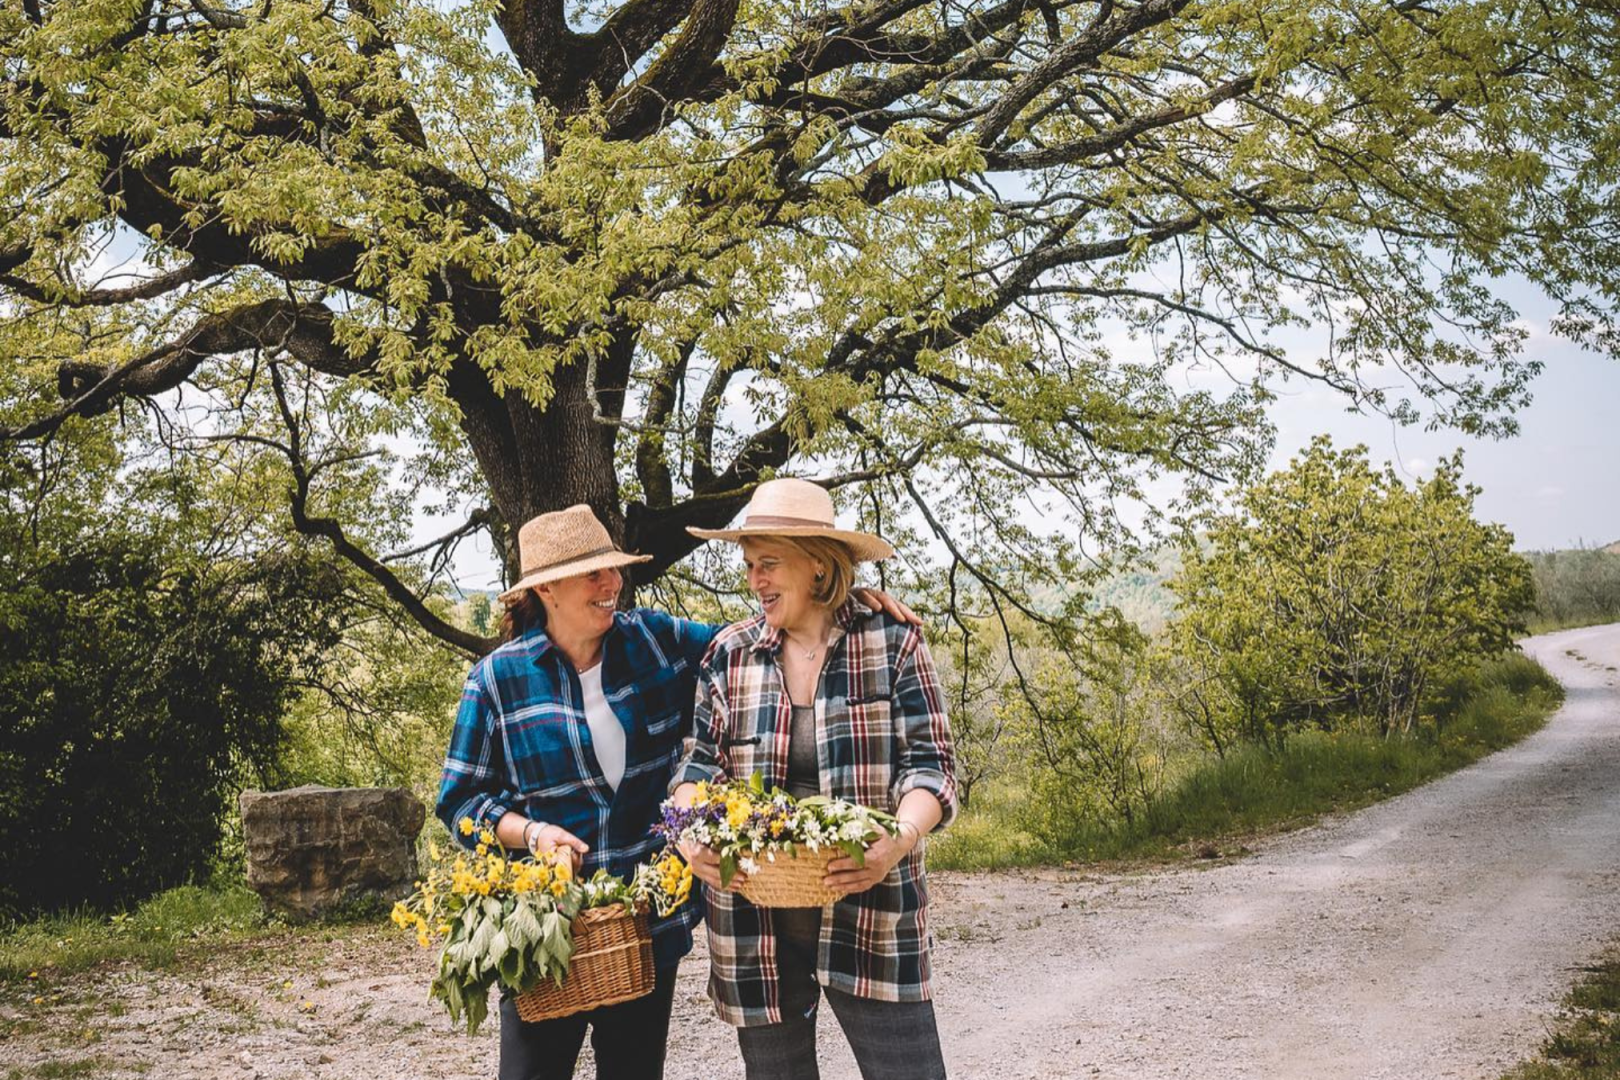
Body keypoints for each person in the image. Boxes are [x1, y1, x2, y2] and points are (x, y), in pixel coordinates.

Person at [435, 502, 916, 1080]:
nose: (612, 582)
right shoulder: (497, 681)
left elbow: (764, 641)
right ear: (548, 589)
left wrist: (848, 601)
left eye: (612, 568)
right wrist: (532, 833)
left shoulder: (656, 642)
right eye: (594, 573)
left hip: (643, 929)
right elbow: (460, 801)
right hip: (543, 927)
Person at [670, 478, 957, 1080]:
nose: (755, 580)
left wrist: (898, 840)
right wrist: (691, 826)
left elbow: (932, 766)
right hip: (753, 919)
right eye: (749, 565)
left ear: (819, 566)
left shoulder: (893, 642)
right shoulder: (729, 655)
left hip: (873, 909)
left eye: (769, 563)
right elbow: (698, 765)